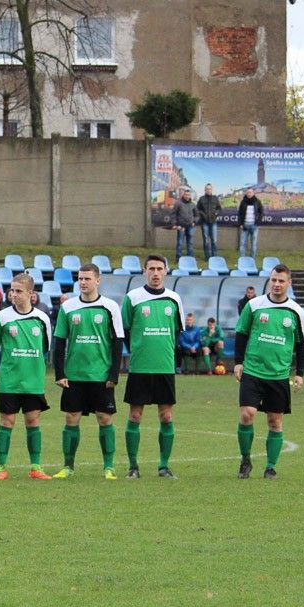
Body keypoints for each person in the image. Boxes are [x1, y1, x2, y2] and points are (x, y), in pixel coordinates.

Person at [233, 265, 304, 479]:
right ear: (269, 281)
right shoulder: (254, 305)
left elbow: (303, 344)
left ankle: (270, 467)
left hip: (278, 375)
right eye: (273, 280)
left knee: (275, 421)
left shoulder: (295, 311)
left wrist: (300, 373)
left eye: (281, 281)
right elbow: (241, 333)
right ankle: (246, 459)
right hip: (253, 371)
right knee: (247, 414)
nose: (276, 284)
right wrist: (238, 362)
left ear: (289, 283)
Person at [51, 264, 123, 480]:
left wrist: (113, 375)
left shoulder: (110, 307)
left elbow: (117, 342)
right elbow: (60, 342)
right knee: (71, 418)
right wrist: (59, 373)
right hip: (74, 375)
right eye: (80, 278)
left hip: (100, 375)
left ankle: (109, 467)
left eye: (87, 279)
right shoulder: (68, 307)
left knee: (105, 418)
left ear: (98, 281)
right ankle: (68, 466)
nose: (83, 282)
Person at [121, 254, 185, 479]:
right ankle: (133, 467)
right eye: (152, 269)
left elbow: (177, 333)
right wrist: (138, 349)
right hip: (140, 367)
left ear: (166, 271)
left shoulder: (174, 299)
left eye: (160, 268)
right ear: (144, 271)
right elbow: (125, 330)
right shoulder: (132, 298)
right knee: (135, 416)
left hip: (164, 367)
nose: (156, 273)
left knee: (166, 416)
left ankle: (163, 466)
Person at [0, 273, 52, 480]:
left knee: (33, 421)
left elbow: (45, 348)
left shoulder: (42, 318)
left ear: (31, 294)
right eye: (12, 290)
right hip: (9, 380)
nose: (13, 294)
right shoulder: (2, 317)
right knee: (7, 421)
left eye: (19, 291)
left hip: (33, 380)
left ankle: (36, 467)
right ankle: (1, 467)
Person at [196, 183, 222, 259]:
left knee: (214, 241)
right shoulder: (201, 199)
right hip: (204, 223)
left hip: (213, 223)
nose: (208, 190)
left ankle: (214, 257)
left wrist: (216, 213)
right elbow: (197, 209)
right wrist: (202, 214)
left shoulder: (215, 198)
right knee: (206, 241)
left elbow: (219, 208)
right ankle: (207, 257)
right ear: (205, 190)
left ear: (212, 190)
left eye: (209, 189)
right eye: (207, 189)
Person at [237, 188, 264, 260]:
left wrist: (258, 222)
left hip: (254, 226)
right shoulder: (243, 202)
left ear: (253, 193)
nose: (249, 194)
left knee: (254, 244)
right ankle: (242, 260)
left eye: (250, 192)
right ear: (246, 193)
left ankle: (252, 260)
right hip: (244, 226)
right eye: (248, 192)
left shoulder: (257, 202)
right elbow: (239, 213)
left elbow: (261, 212)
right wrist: (240, 224)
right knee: (242, 244)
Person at [171, 188, 197, 261]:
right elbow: (173, 215)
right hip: (181, 227)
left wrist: (194, 222)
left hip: (191, 227)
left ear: (190, 196)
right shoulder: (178, 204)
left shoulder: (193, 205)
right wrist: (175, 224)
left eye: (188, 195)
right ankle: (178, 259)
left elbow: (197, 215)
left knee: (190, 243)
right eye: (186, 194)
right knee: (180, 243)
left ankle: (190, 259)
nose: (187, 196)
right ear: (183, 195)